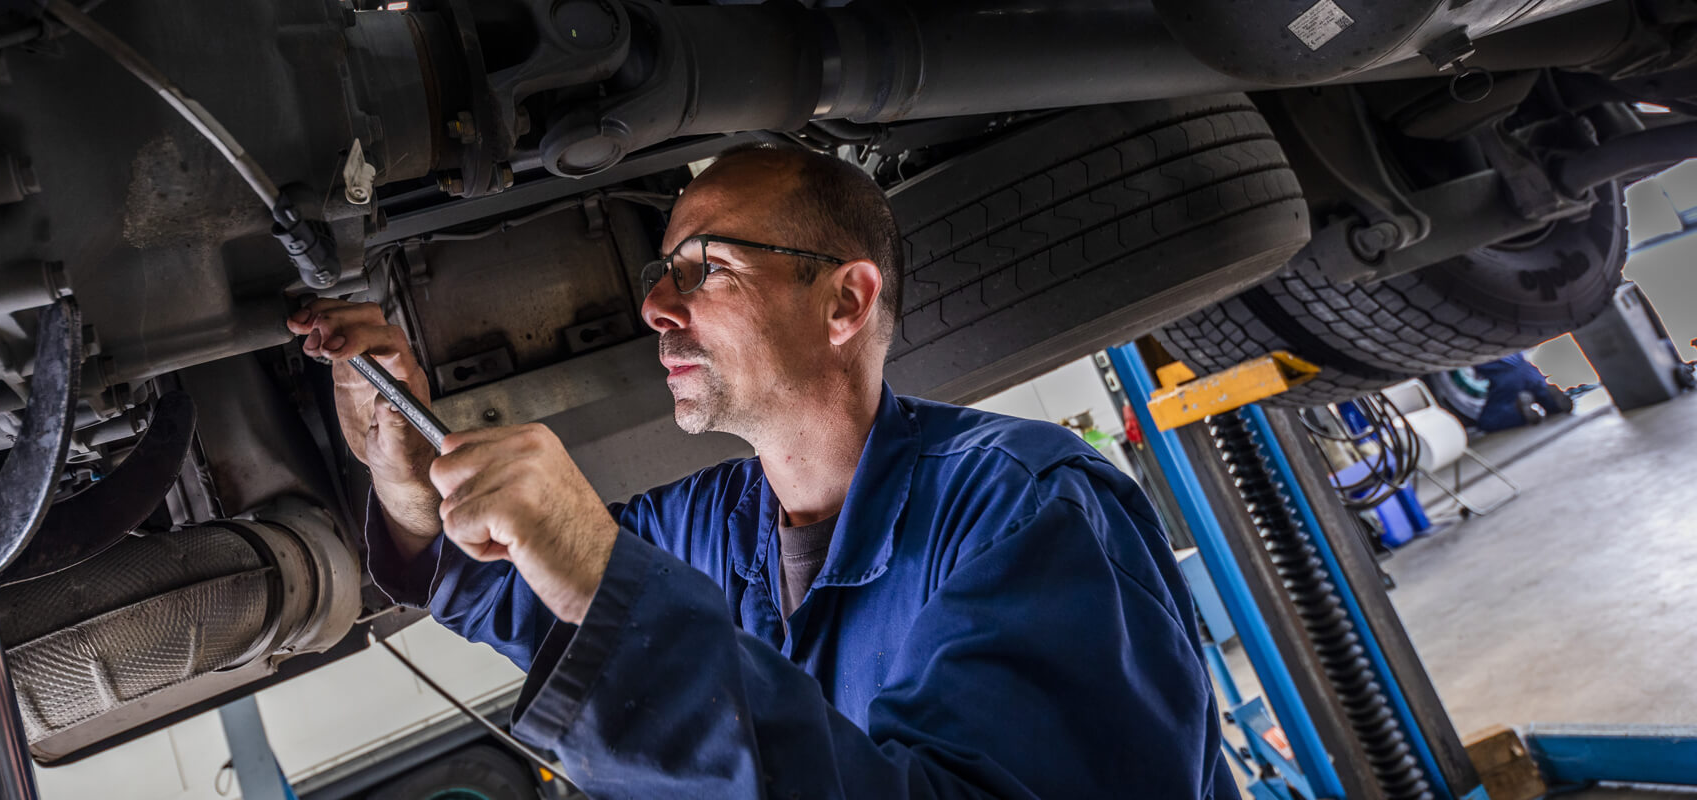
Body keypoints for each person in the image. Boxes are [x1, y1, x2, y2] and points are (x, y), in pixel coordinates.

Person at [287, 144, 1231, 797]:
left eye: (702, 267)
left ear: (844, 300)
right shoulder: (706, 521)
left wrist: (602, 570)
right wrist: (404, 480)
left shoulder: (1022, 510)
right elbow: (519, 598)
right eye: (659, 271)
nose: (655, 305)